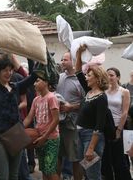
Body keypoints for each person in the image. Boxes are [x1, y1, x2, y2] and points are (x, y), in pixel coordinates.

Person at [0, 48, 37, 180]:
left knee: (14, 175)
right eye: (5, 70)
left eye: (10, 70)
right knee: (3, 176)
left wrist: (29, 56)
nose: (8, 73)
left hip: (15, 133)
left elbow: (33, 77)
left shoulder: (16, 86)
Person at [75, 45, 109, 180]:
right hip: (81, 135)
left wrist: (91, 148)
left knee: (93, 174)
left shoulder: (101, 97)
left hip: (92, 138)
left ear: (97, 78)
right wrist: (79, 54)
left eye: (89, 75)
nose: (87, 78)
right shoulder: (89, 91)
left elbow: (99, 126)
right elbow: (77, 71)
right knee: (86, 171)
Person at [23, 74, 60, 180]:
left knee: (50, 170)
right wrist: (19, 130)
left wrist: (45, 137)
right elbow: (29, 118)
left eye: (38, 81)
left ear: (46, 82)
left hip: (51, 139)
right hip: (39, 138)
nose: (34, 83)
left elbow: (56, 119)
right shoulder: (36, 100)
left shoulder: (52, 98)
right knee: (43, 169)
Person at [56, 51, 85, 180]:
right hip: (56, 123)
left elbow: (87, 103)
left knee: (75, 158)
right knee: (57, 155)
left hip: (72, 125)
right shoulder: (59, 77)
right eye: (62, 60)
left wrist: (71, 107)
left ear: (73, 62)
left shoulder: (81, 80)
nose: (62, 62)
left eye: (65, 60)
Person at [101, 67, 132, 180]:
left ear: (118, 77)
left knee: (120, 159)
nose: (109, 77)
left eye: (112, 75)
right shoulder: (103, 91)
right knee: (106, 158)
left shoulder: (124, 91)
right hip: (105, 127)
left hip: (118, 126)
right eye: (107, 75)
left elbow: (124, 112)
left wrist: (119, 130)